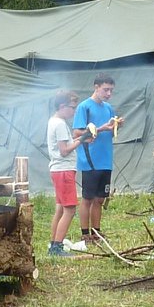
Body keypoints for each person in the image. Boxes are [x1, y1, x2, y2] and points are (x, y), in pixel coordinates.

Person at [71, 74, 119, 244]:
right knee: (88, 198)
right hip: (90, 159)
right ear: (96, 87)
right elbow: (77, 133)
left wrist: (116, 125)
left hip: (106, 158)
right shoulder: (85, 107)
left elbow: (111, 129)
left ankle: (96, 232)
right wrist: (101, 128)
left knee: (100, 198)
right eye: (106, 90)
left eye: (111, 90)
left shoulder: (108, 108)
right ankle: (84, 233)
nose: (108, 94)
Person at [45, 89, 79, 256]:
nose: (74, 111)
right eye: (72, 107)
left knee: (60, 208)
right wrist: (80, 140)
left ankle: (53, 243)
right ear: (62, 106)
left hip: (58, 170)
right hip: (64, 170)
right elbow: (64, 150)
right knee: (70, 210)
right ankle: (57, 247)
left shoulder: (54, 121)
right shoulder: (59, 124)